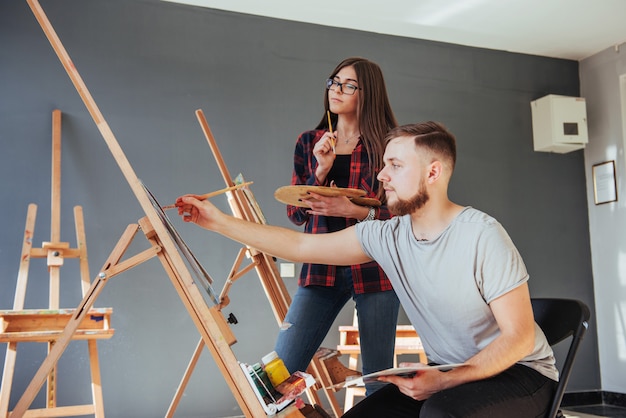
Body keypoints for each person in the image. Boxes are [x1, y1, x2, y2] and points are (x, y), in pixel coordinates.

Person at [175, 121, 558, 417]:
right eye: (383, 164)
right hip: (447, 372)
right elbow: (300, 244)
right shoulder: (387, 235)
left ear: (433, 173)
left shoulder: (481, 234)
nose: (381, 176)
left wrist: (445, 380)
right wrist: (216, 221)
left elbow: (521, 339)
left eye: (395, 165)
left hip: (521, 375)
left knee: (440, 413)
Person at [275, 56, 400, 394]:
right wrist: (320, 170)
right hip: (321, 265)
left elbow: (401, 217)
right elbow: (295, 214)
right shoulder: (309, 141)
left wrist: (353, 210)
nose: (336, 90)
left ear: (367, 93)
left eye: (348, 85)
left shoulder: (390, 145)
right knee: (280, 372)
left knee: (379, 382)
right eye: (334, 82)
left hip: (373, 265)